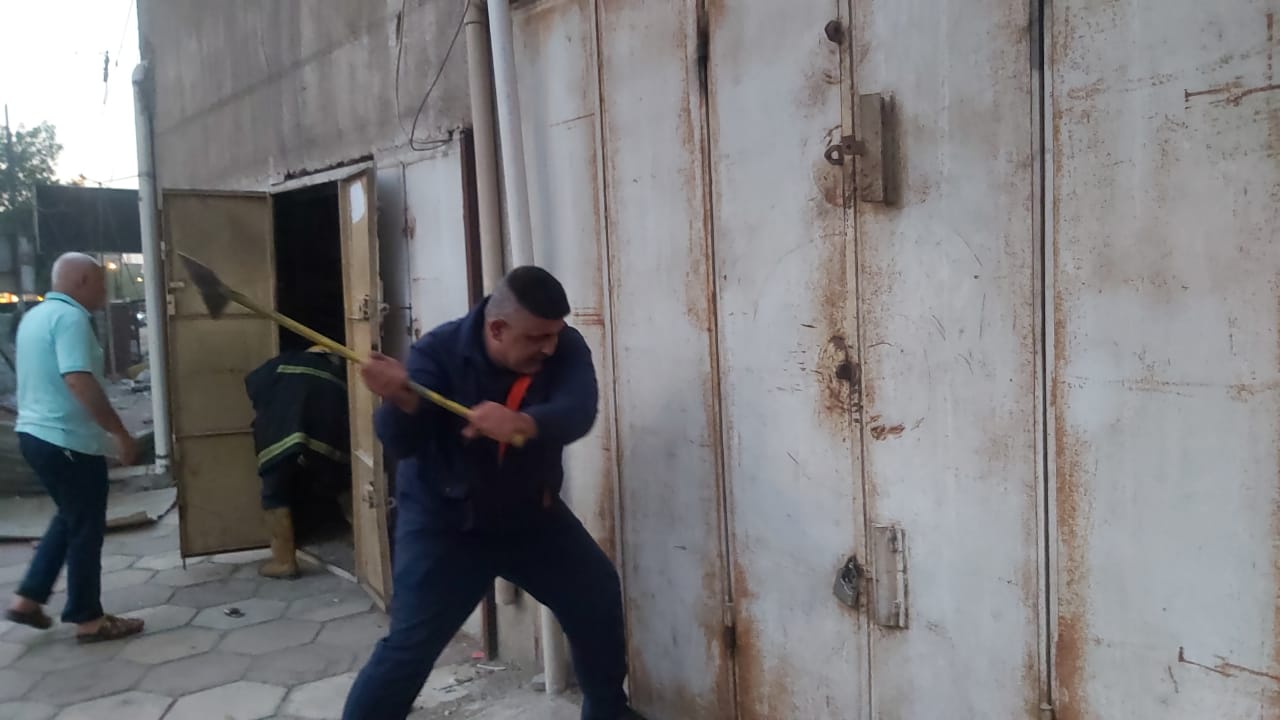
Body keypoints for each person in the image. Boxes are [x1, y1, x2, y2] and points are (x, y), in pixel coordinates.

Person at [342, 267, 639, 720]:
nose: (549, 347)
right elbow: (400, 443)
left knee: (595, 596)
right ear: (497, 328)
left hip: (531, 518)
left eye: (554, 334)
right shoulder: (437, 353)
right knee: (409, 648)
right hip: (446, 527)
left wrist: (523, 423)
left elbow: (579, 410)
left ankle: (608, 712)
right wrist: (400, 401)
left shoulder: (564, 345)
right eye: (537, 337)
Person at [5, 252, 144, 643]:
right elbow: (78, 379)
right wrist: (119, 433)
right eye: (101, 282)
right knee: (86, 527)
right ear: (82, 281)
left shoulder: (35, 317)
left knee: (70, 517)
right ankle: (88, 618)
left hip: (34, 435)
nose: (105, 291)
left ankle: (27, 599)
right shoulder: (71, 319)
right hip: (65, 441)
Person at [244, 345, 351, 579]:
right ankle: (360, 542)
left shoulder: (281, 362)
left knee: (275, 496)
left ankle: (284, 562)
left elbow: (253, 385)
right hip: (324, 442)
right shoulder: (338, 376)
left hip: (278, 438)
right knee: (343, 484)